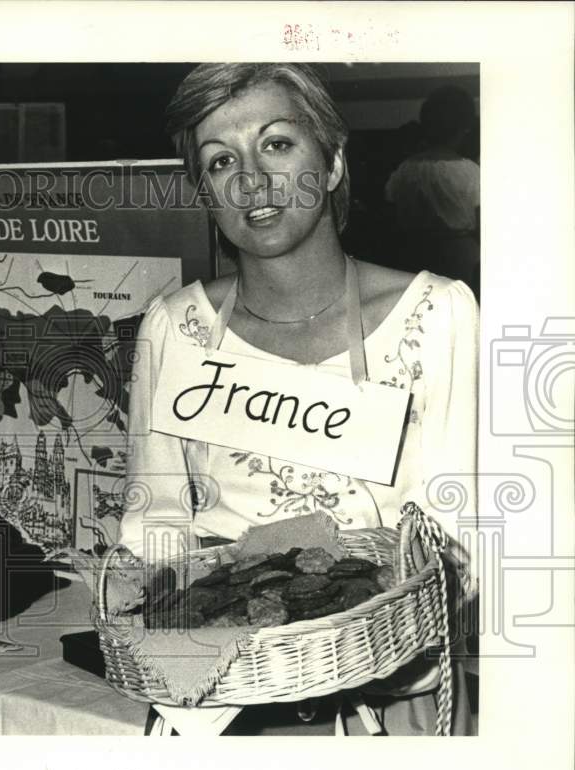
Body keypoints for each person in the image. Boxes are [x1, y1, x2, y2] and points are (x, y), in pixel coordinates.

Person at [117, 63, 478, 735]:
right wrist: (183, 635)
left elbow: (464, 545)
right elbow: (152, 534)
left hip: (386, 708)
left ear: (334, 162)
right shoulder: (174, 329)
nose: (252, 180)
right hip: (215, 712)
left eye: (278, 145)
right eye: (221, 161)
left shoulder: (439, 316)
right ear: (204, 191)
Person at [384, 85, 480, 298]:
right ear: (464, 128)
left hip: (415, 253)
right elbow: (482, 222)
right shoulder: (470, 171)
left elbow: (391, 212)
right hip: (459, 255)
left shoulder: (406, 169)